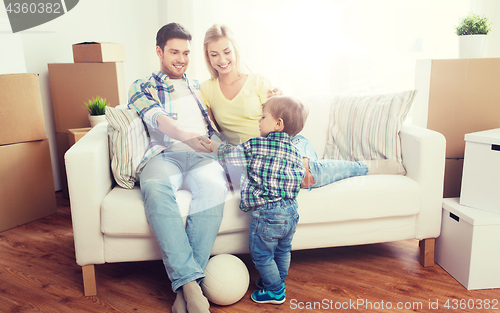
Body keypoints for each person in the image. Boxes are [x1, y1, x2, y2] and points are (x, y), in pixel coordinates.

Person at [200, 24, 404, 190]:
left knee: (303, 170)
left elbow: (282, 119)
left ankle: (365, 167)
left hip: (287, 145)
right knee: (302, 176)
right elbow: (211, 132)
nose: (222, 59)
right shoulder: (207, 89)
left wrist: (280, 98)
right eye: (214, 54)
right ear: (208, 57)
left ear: (235, 51)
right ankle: (361, 167)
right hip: (253, 155)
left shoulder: (257, 81)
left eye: (227, 52)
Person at [128, 22, 228, 313]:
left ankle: (186, 291)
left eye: (186, 52)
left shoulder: (199, 86)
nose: (181, 59)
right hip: (164, 155)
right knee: (155, 188)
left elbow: (224, 115)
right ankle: (191, 287)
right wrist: (187, 137)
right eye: (174, 52)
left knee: (214, 188)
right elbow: (157, 118)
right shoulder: (142, 86)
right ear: (159, 51)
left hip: (203, 157)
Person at [210, 96, 308, 304]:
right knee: (283, 250)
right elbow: (299, 177)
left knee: (262, 255)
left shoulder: (256, 145)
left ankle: (274, 290)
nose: (259, 121)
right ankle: (277, 280)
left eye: (263, 117)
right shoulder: (295, 152)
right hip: (291, 212)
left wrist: (214, 147)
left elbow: (231, 157)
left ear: (278, 124)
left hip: (268, 213)